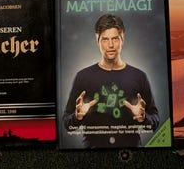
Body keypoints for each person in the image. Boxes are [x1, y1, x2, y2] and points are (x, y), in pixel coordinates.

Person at [62, 14, 159, 148]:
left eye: (115, 39)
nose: (111, 45)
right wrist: (77, 117)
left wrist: (144, 118)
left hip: (130, 154)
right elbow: (67, 123)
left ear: (122, 39)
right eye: (105, 39)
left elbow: (155, 120)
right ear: (97, 40)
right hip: (92, 155)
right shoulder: (83, 77)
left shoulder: (139, 76)